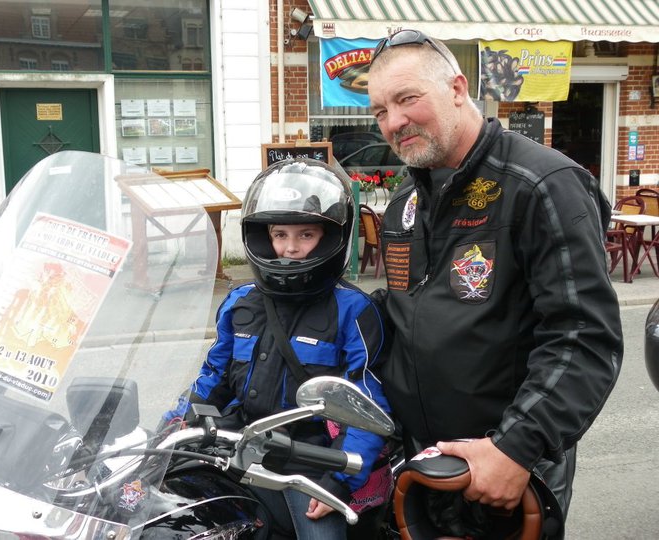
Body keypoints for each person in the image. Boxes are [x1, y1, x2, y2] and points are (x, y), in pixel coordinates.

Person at [367, 29, 623, 524]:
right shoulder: (404, 202)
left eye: (407, 99)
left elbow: (584, 338)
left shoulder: (542, 185)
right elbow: (407, 319)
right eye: (380, 110)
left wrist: (515, 448)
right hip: (419, 471)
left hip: (502, 475)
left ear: (458, 90)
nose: (394, 121)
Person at [163, 158, 392, 539]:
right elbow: (212, 379)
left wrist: (340, 478)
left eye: (306, 235)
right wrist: (169, 426)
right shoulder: (239, 302)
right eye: (280, 234)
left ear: (331, 237)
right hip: (236, 449)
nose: (291, 248)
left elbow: (367, 404)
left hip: (310, 462)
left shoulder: (352, 309)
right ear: (262, 236)